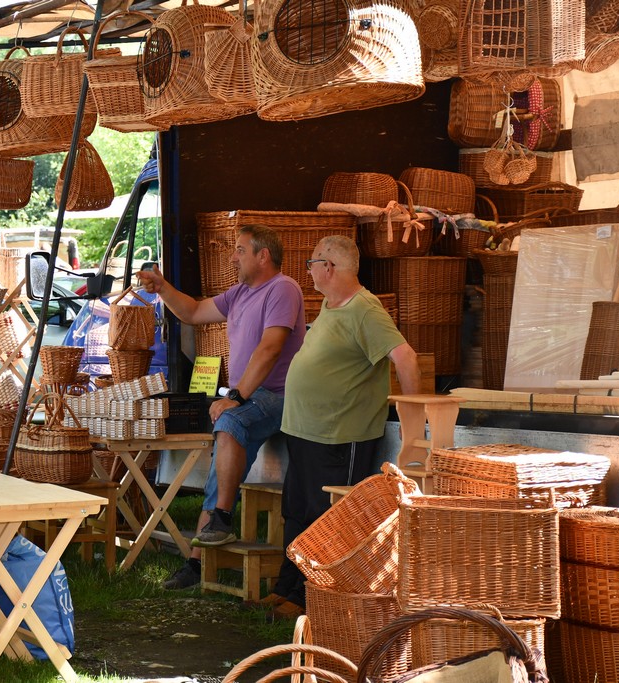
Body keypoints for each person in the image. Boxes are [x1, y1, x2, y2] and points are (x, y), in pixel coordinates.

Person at [137, 224, 305, 590]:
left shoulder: (283, 288)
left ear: (263, 255)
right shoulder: (242, 292)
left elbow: (271, 348)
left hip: (278, 395)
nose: (232, 257)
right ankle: (203, 550)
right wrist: (163, 287)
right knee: (225, 436)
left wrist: (236, 396)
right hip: (250, 395)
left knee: (228, 422)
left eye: (240, 250)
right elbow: (194, 312)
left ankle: (220, 522)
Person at [263, 234, 421, 621]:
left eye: (312, 264)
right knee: (298, 512)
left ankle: (314, 600)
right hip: (305, 431)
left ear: (329, 267)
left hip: (339, 436)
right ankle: (289, 589)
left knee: (328, 518)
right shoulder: (334, 307)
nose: (310, 272)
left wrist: (417, 418)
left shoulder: (366, 309)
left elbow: (406, 357)